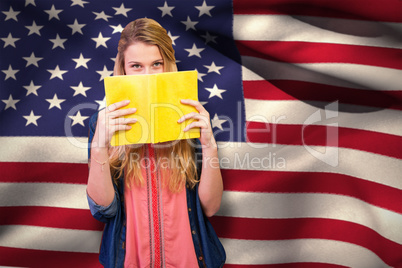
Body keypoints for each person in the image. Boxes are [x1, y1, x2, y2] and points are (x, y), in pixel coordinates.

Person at [86, 18, 226, 268]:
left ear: (168, 65)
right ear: (124, 68)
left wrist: (209, 145)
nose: (147, 76)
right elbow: (103, 211)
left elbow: (210, 208)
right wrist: (100, 143)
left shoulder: (192, 117)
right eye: (136, 66)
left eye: (156, 64)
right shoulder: (103, 122)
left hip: (190, 258)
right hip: (130, 258)